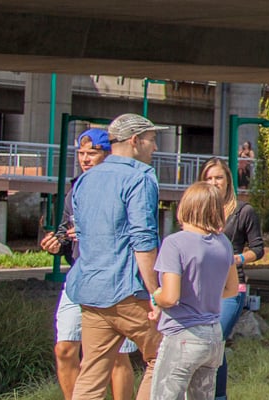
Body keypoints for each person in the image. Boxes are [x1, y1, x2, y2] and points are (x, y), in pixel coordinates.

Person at [68, 114, 169, 400]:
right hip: (129, 292)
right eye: (152, 140)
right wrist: (156, 292)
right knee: (164, 358)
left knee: (91, 374)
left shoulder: (85, 180)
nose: (155, 148)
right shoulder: (140, 177)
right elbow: (143, 240)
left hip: (91, 291)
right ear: (135, 141)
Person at [42, 128, 140, 400]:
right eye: (81, 153)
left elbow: (135, 233)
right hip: (80, 276)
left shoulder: (124, 184)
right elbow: (66, 231)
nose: (85, 159)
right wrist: (57, 242)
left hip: (115, 277)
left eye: (92, 153)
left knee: (117, 356)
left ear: (107, 154)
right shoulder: (76, 187)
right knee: (64, 349)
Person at [149, 181, 241, 399]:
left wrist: (156, 295)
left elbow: (170, 297)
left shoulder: (174, 243)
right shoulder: (224, 243)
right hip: (212, 334)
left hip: (182, 333)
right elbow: (232, 289)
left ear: (186, 206)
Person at [198, 159, 264, 400]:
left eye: (218, 178)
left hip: (231, 287)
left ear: (228, 181)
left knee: (214, 339)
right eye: (209, 178)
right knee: (208, 345)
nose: (214, 183)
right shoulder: (197, 210)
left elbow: (258, 249)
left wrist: (235, 259)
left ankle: (217, 396)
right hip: (200, 286)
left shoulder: (243, 211)